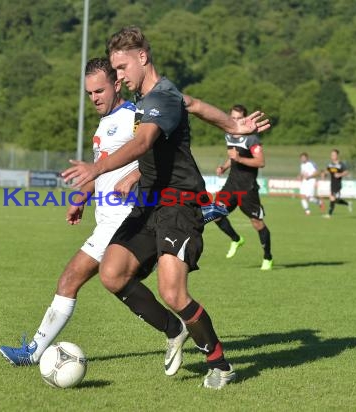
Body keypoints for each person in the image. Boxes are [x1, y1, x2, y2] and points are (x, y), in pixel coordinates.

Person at [62, 27, 270, 389]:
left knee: (173, 292)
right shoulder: (155, 96)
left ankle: (220, 364)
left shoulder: (161, 97)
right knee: (112, 274)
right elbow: (196, 105)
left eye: (123, 67)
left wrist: (96, 168)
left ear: (143, 57)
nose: (119, 76)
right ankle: (174, 329)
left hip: (178, 203)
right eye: (116, 69)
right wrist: (233, 124)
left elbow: (143, 141)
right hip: (149, 202)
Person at [0, 57, 227, 376]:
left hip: (128, 217)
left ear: (117, 84)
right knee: (107, 278)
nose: (94, 98)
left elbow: (149, 153)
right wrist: (83, 194)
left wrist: (133, 177)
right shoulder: (104, 124)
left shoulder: (134, 115)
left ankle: (34, 351)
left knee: (72, 278)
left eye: (100, 90)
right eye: (89, 93)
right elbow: (103, 169)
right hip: (108, 218)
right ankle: (174, 328)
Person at [213, 104, 273, 270]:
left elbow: (261, 162)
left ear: (245, 119)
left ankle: (268, 257)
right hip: (231, 185)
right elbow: (233, 157)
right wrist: (225, 167)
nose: (235, 121)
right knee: (214, 214)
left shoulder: (252, 139)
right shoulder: (229, 135)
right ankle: (236, 239)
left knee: (257, 223)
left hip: (247, 187)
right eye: (233, 118)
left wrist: (239, 159)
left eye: (239, 118)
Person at [322, 149, 352, 218]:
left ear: (337, 156)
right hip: (332, 184)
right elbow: (327, 171)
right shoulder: (330, 164)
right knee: (335, 200)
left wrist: (340, 174)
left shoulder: (341, 164)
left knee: (332, 198)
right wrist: (324, 175)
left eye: (334, 155)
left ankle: (329, 214)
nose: (332, 156)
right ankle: (347, 203)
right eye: (331, 155)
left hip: (338, 184)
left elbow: (346, 172)